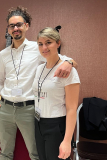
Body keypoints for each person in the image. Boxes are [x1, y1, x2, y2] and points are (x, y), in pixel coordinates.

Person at [0, 6, 77, 160]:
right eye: (12, 26)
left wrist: (70, 62)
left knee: (35, 153)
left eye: (19, 24)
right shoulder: (3, 54)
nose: (15, 28)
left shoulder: (38, 47)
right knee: (4, 152)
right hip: (4, 109)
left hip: (28, 109)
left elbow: (61, 59)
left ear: (26, 26)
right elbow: (0, 79)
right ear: (8, 29)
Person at [32, 27, 80, 160]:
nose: (44, 47)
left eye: (48, 42)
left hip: (56, 126)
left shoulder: (68, 71)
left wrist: (66, 141)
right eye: (40, 44)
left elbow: (72, 109)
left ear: (58, 43)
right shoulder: (39, 68)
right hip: (38, 122)